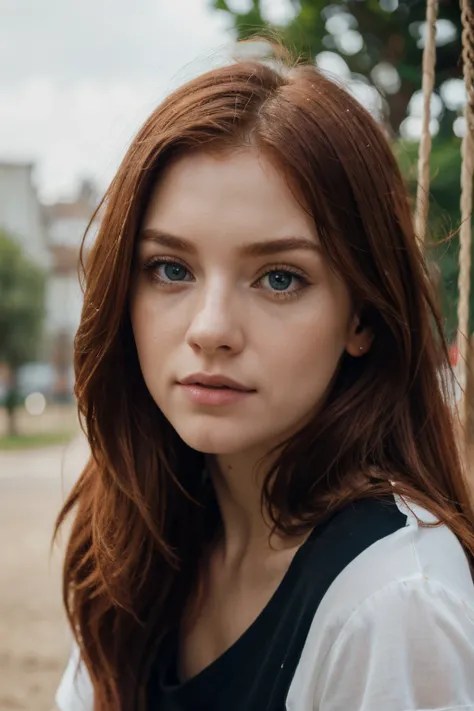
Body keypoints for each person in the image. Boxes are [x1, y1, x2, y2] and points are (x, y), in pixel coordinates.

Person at [54, 53, 474, 711]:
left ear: (360, 316)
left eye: (279, 277)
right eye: (169, 268)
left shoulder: (394, 599)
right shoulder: (141, 535)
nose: (211, 327)